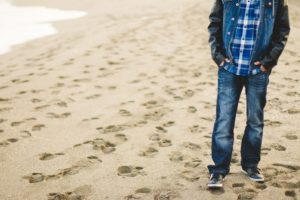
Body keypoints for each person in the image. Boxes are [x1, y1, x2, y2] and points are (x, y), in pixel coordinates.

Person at [207, 0, 290, 188]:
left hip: (258, 70)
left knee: (255, 120)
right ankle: (218, 170)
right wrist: (218, 56)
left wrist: (268, 62)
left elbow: (282, 31)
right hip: (229, 68)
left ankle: (251, 165)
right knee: (224, 120)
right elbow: (214, 23)